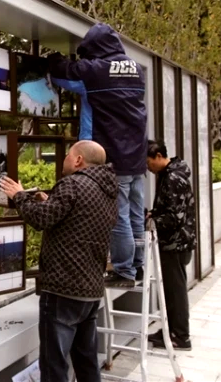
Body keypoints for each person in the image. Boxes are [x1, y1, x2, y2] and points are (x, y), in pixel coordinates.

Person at [0, 140, 118, 382]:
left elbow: (41, 220)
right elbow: (78, 221)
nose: (64, 159)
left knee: (54, 365)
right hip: (91, 291)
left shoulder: (72, 184)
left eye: (67, 155)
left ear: (78, 160)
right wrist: (50, 202)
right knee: (86, 362)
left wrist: (20, 196)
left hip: (63, 290)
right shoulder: (108, 191)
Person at [48, 23, 147, 286]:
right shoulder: (136, 70)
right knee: (136, 215)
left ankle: (124, 271)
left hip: (113, 157)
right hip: (137, 158)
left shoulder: (96, 71)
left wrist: (55, 58)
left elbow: (61, 73)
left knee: (119, 217)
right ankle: (138, 266)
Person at [145, 140, 197, 351]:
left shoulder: (173, 178)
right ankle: (171, 331)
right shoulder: (168, 175)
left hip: (176, 244)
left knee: (176, 291)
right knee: (171, 290)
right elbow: (170, 209)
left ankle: (181, 337)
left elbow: (174, 217)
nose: (147, 167)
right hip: (175, 242)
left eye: (148, 162)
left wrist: (150, 222)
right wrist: (154, 214)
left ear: (158, 156)